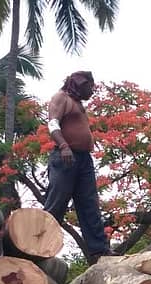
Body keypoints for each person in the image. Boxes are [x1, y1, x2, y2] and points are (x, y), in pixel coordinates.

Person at [43, 70, 113, 263]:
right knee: (56, 204)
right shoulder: (61, 98)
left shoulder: (78, 103)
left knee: (89, 204)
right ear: (78, 85)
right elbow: (52, 124)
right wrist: (64, 146)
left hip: (83, 160)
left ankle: (99, 250)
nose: (92, 91)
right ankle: (39, 247)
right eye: (89, 86)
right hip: (66, 158)